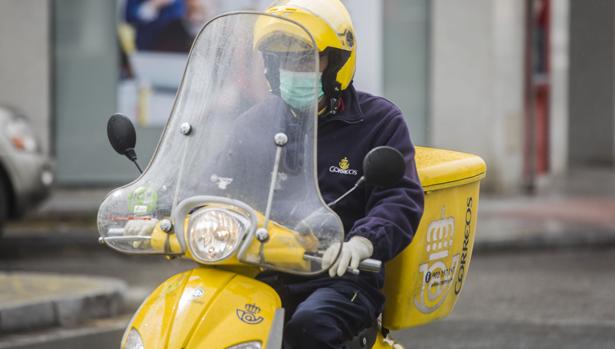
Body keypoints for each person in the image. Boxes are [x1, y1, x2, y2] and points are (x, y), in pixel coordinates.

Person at [251, 1, 424, 348]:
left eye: (305, 58)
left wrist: (362, 242)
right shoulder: (257, 122)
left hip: (342, 277)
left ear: (336, 63)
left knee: (310, 326)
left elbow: (400, 197)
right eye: (282, 59)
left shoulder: (379, 122)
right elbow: (218, 181)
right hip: (264, 270)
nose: (292, 69)